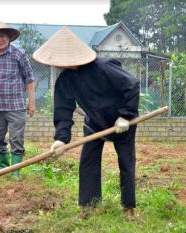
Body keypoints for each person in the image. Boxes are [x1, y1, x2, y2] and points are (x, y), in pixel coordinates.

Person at [33, 27, 140, 218]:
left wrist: (126, 115)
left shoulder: (103, 67)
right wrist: (61, 138)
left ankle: (128, 208)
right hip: (95, 123)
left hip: (122, 122)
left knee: (126, 161)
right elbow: (63, 110)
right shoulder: (65, 80)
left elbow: (131, 85)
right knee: (88, 162)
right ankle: (89, 206)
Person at [0, 20, 35, 179]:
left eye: (2, 36)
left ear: (9, 37)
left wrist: (31, 103)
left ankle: (15, 172)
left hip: (16, 105)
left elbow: (29, 80)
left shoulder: (19, 54)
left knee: (16, 139)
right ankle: (4, 170)